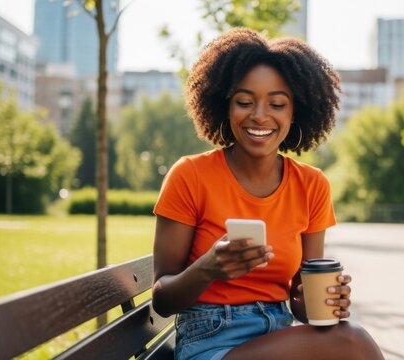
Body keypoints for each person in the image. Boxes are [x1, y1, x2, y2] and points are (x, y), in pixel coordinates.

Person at [152, 28, 383, 360]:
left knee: (346, 337)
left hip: (279, 338)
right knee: (353, 343)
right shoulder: (190, 175)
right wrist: (207, 269)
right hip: (210, 343)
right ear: (225, 107)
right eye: (245, 102)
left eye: (277, 104)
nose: (260, 115)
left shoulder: (311, 185)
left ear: (295, 113)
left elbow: (302, 306)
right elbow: (161, 298)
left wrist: (327, 300)